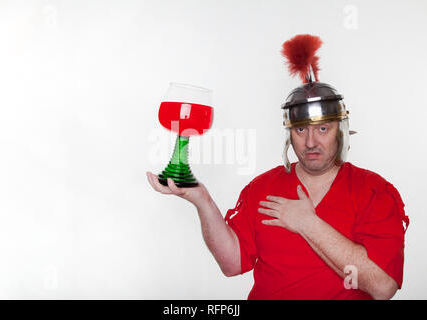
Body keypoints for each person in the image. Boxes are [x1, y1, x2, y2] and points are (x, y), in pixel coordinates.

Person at [146, 34, 409, 300]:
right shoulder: (262, 187)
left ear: (340, 132)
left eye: (322, 129)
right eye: (301, 129)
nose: (310, 142)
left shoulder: (374, 191)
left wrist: (308, 224)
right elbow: (232, 263)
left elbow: (382, 286)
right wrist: (201, 200)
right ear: (289, 133)